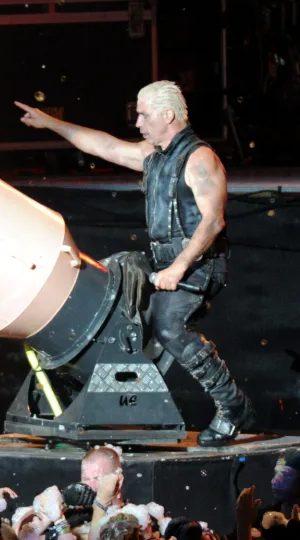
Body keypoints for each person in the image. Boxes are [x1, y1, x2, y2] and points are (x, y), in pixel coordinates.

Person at [15, 80, 253, 447]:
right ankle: (108, 405)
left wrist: (178, 268)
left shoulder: (199, 158)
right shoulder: (153, 156)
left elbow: (212, 221)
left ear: (167, 115)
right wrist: (51, 124)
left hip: (199, 264)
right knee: (116, 307)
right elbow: (106, 145)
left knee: (168, 326)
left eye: (144, 114)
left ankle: (232, 404)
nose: (138, 121)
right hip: (163, 262)